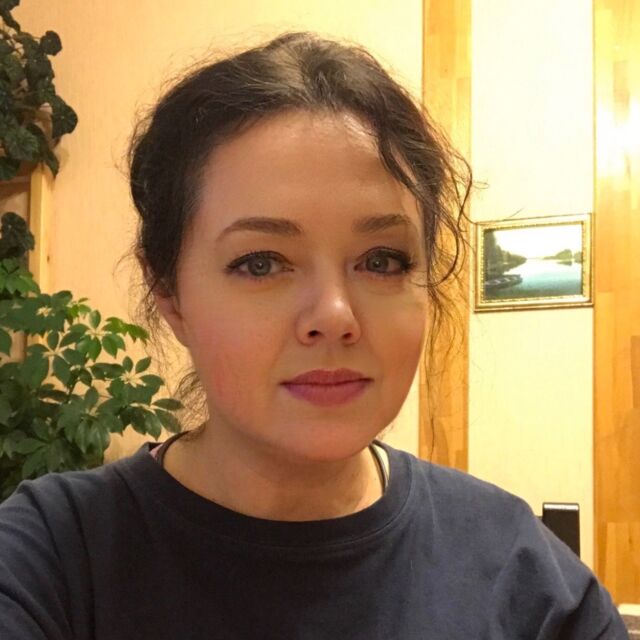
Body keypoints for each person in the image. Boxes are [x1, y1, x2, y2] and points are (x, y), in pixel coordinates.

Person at [0, 31, 629, 639]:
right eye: (261, 263)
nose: (334, 314)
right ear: (169, 292)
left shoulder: (522, 576)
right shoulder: (51, 558)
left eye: (381, 260)